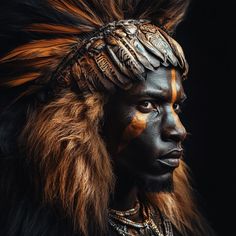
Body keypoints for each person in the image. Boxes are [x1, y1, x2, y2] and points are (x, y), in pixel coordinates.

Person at [0, 0, 215, 235]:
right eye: (147, 105)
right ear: (86, 121)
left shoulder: (178, 223)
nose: (178, 130)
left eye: (176, 106)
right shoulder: (46, 226)